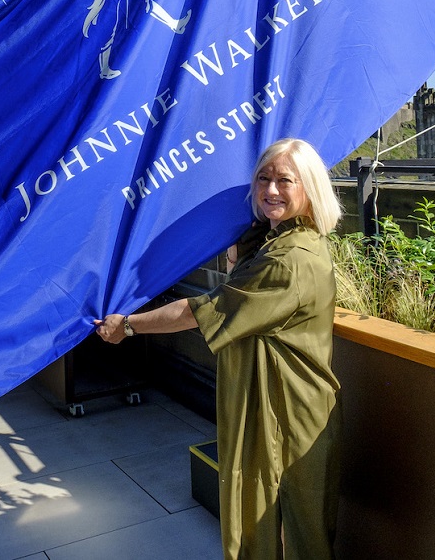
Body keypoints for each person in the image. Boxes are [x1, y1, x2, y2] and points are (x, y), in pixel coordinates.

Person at [96, 138, 342, 560]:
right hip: (279, 407)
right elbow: (236, 268)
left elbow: (202, 311)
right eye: (263, 179)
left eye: (285, 180)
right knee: (277, 522)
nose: (270, 190)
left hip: (284, 415)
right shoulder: (279, 240)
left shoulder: (289, 260)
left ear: (310, 187)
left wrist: (129, 325)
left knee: (286, 531)